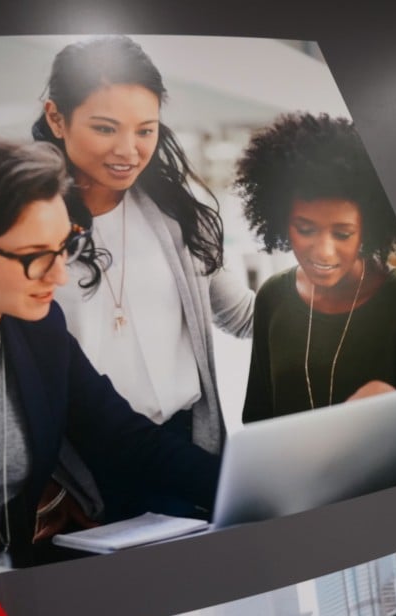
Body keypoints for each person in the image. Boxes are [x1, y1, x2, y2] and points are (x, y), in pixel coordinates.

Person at [0, 133, 218, 590]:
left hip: (14, 592)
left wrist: (241, 489)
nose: (58, 275)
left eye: (64, 247)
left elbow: (123, 438)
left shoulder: (37, 329)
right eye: (35, 257)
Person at [30, 36, 254, 521]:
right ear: (56, 118)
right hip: (91, 466)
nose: (129, 151)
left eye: (145, 130)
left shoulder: (173, 213)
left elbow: (242, 315)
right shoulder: (28, 231)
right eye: (105, 128)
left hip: (186, 444)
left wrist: (348, 291)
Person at [234, 112, 396, 423]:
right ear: (281, 222)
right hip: (294, 472)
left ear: (368, 229)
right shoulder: (272, 297)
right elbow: (257, 420)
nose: (324, 252)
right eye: (305, 229)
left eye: (342, 234)